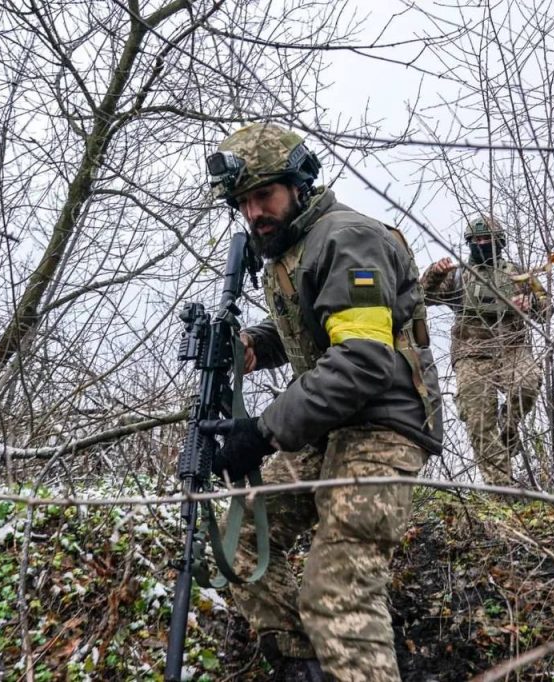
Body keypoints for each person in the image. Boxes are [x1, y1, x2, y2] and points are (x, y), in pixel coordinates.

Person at [203, 122, 443, 682]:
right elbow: (316, 328)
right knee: (238, 546)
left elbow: (362, 360)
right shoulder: (291, 250)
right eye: (243, 202)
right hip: (329, 426)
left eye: (264, 195)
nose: (253, 212)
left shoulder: (347, 237)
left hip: (383, 425)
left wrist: (262, 432)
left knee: (336, 591)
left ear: (300, 184)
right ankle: (305, 666)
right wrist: (255, 346)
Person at [420, 215, 552, 486]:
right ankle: (502, 489)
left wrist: (531, 303)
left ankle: (509, 427)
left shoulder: (520, 274)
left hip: (512, 348)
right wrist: (434, 273)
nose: (480, 244)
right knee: (479, 421)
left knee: (526, 385)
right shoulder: (457, 275)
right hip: (471, 352)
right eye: (475, 240)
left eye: (486, 240)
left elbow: (546, 309)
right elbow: (423, 297)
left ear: (499, 242)